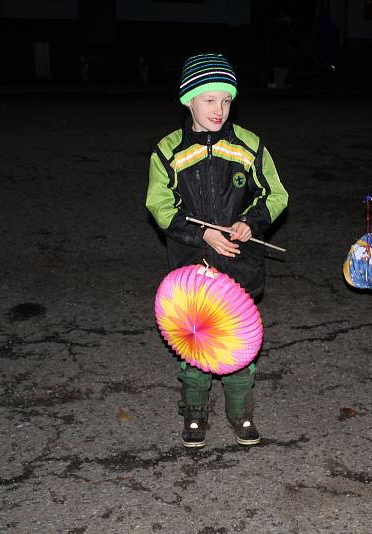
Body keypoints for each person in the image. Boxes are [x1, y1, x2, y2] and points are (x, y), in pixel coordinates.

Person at [146, 53, 289, 448]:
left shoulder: (248, 145)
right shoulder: (168, 151)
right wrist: (202, 234)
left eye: (226, 100)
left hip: (238, 270)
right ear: (188, 100)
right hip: (192, 269)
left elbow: (275, 194)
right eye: (208, 100)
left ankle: (240, 414)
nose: (218, 110)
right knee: (196, 349)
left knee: (239, 347)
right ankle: (194, 413)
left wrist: (251, 222)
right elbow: (159, 205)